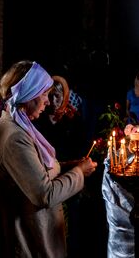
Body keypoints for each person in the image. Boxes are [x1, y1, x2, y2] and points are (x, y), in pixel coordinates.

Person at [0, 60, 98, 258]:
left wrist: (67, 166)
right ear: (29, 93)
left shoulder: (15, 125)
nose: (47, 101)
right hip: (24, 239)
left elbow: (31, 169)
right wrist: (79, 173)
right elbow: (45, 194)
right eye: (44, 94)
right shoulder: (14, 136)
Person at [34, 75, 91, 258]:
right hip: (46, 179)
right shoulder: (38, 120)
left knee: (71, 228)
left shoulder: (73, 120)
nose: (53, 101)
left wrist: (77, 166)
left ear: (66, 96)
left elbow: (82, 149)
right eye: (50, 95)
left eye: (58, 95)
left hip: (71, 178)